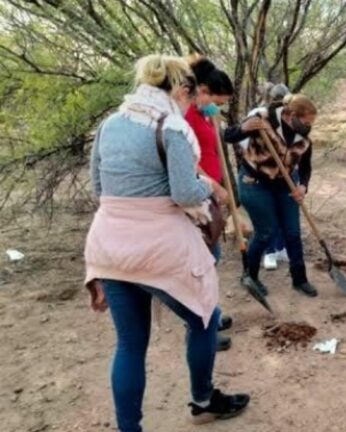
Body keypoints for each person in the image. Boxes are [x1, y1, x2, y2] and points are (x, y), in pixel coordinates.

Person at [85, 54, 249, 432]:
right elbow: (186, 194)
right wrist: (210, 185)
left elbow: (98, 187)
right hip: (159, 246)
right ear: (181, 88)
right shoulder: (171, 127)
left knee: (129, 345)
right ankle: (204, 401)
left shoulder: (109, 124)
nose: (191, 103)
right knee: (205, 320)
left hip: (109, 245)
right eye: (190, 95)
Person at [223, 93, 319, 298]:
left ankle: (300, 279)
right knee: (266, 232)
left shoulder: (304, 140)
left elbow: (305, 168)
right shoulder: (263, 119)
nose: (308, 126)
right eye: (305, 121)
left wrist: (303, 186)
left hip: (285, 184)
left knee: (292, 232)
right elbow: (228, 136)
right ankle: (250, 276)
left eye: (311, 123)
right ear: (291, 115)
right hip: (254, 183)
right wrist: (243, 128)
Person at [185, 55, 236, 352]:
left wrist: (213, 116)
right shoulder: (186, 116)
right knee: (203, 262)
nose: (219, 106)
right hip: (200, 193)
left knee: (212, 258)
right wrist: (215, 186)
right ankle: (202, 325)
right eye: (217, 100)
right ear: (202, 90)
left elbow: (213, 148)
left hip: (211, 192)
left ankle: (212, 315)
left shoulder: (204, 114)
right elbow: (190, 162)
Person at [259, 83, 291, 270]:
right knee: (269, 215)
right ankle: (269, 252)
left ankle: (281, 248)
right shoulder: (260, 116)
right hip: (265, 173)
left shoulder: (289, 117)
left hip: (284, 172)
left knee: (282, 213)